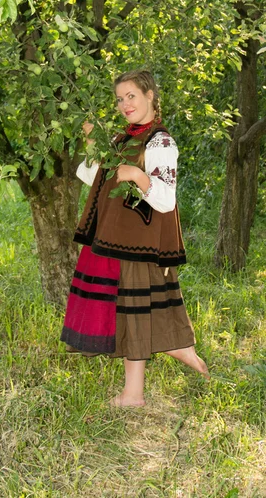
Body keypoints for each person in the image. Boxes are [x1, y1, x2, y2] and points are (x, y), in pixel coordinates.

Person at [60, 70, 209, 407]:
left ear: (150, 96)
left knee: (136, 313)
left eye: (131, 96)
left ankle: (134, 393)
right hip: (116, 238)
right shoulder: (121, 139)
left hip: (142, 243)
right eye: (120, 99)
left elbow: (165, 200)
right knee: (131, 313)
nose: (124, 104)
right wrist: (92, 145)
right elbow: (95, 178)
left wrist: (139, 175)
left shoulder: (160, 142)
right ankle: (175, 350)